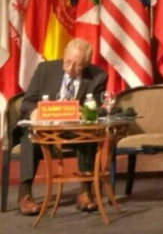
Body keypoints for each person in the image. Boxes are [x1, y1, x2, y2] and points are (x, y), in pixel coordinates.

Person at [16, 38, 107, 216]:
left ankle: (85, 192)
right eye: (68, 62)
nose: (71, 68)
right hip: (46, 129)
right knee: (29, 136)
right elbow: (27, 103)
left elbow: (98, 108)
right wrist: (35, 112)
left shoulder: (98, 76)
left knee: (89, 135)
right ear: (63, 55)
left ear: (86, 64)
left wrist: (83, 112)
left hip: (75, 130)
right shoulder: (45, 70)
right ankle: (25, 194)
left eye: (77, 65)